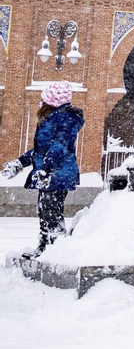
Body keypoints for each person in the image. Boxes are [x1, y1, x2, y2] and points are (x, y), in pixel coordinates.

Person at [2, 81, 84, 254]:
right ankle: (44, 249)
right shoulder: (54, 117)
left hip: (58, 174)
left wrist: (47, 169)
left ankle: (56, 251)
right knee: (44, 211)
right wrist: (20, 163)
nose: (41, 103)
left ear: (52, 102)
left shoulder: (64, 118)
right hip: (51, 173)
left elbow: (59, 146)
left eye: (44, 99)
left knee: (51, 212)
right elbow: (41, 150)